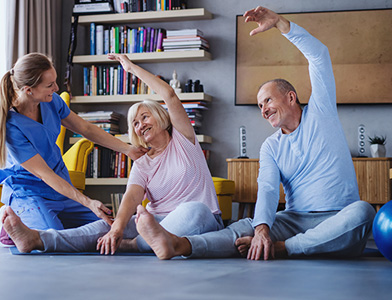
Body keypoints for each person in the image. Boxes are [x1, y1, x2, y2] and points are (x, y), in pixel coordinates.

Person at [126, 6, 376, 260]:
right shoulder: (271, 146)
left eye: (267, 101)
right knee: (245, 227)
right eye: (259, 106)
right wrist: (262, 229)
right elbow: (267, 188)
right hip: (293, 221)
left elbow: (319, 56)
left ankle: (285, 248)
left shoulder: (321, 113)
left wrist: (280, 24)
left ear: (291, 97)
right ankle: (180, 245)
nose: (263, 110)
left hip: (337, 219)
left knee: (363, 212)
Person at [1, 53, 223, 255]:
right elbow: (131, 197)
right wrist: (115, 228)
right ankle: (36, 239)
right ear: (29, 90)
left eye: (145, 117)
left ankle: (133, 244)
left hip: (190, 217)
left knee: (195, 211)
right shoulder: (142, 162)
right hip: (34, 189)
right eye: (134, 123)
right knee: (105, 226)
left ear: (162, 117)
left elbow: (169, 95)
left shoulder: (184, 141)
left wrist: (131, 68)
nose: (140, 125)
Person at [0, 53, 148, 246]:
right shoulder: (12, 126)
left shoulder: (51, 100)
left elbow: (85, 129)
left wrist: (128, 150)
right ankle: (9, 230)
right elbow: (46, 175)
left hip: (60, 189)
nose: (56, 88)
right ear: (29, 90)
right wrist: (88, 202)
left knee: (108, 228)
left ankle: (31, 227)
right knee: (54, 239)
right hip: (30, 193)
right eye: (49, 85)